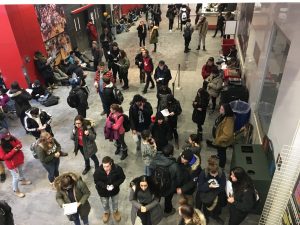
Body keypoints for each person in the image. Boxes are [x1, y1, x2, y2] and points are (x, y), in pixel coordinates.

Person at [149, 144, 181, 217]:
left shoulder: (155, 159)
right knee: (168, 200)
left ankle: (153, 208)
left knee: (156, 197)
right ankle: (168, 211)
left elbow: (151, 169)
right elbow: (178, 178)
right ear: (171, 153)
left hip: (156, 184)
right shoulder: (174, 165)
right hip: (168, 188)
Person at [93, 156, 126, 223]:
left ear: (111, 163)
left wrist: (114, 185)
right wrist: (105, 186)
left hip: (114, 190)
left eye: (107, 166)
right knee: (105, 203)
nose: (105, 168)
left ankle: (115, 211)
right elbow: (96, 181)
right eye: (104, 166)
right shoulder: (98, 171)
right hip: (103, 191)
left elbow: (122, 178)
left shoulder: (117, 169)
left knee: (115, 202)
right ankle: (106, 212)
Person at [0, 129, 31, 198]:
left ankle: (23, 180)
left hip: (18, 159)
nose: (8, 137)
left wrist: (18, 146)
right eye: (6, 136)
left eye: (9, 135)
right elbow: (3, 157)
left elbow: (19, 143)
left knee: (21, 171)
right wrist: (13, 151)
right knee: (15, 177)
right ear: (2, 138)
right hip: (12, 164)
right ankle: (16, 191)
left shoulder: (12, 137)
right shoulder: (1, 146)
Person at [196, 156, 226, 224]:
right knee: (206, 208)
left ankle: (215, 216)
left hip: (217, 194)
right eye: (212, 173)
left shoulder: (221, 172)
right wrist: (209, 186)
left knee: (217, 207)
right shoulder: (203, 173)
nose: (214, 176)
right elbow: (200, 187)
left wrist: (216, 187)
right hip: (207, 196)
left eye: (216, 173)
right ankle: (206, 217)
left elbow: (223, 185)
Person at [206, 103, 234, 168]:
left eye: (221, 109)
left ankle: (221, 166)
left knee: (222, 153)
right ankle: (218, 155)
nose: (219, 110)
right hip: (219, 139)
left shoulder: (229, 121)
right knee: (219, 151)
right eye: (220, 108)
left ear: (226, 111)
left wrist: (218, 139)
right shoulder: (223, 115)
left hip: (222, 142)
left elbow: (227, 135)